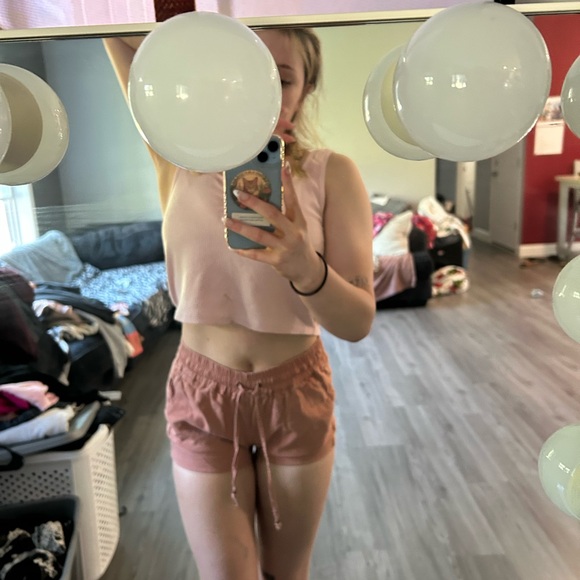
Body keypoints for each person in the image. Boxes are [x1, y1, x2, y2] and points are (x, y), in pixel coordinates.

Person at [104, 25, 375, 580]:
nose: (260, 92)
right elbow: (122, 34)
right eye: (243, 72)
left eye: (280, 79)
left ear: (304, 92)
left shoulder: (333, 174)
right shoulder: (175, 156)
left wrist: (304, 265)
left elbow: (358, 321)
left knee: (286, 573)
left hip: (294, 392)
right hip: (201, 392)